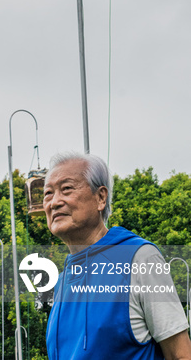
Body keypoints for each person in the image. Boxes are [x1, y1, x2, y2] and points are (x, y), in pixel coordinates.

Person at [43, 152, 191, 360]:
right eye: (48, 194)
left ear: (100, 198)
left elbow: (180, 354)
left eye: (66, 189)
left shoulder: (140, 259)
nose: (54, 202)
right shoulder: (61, 282)